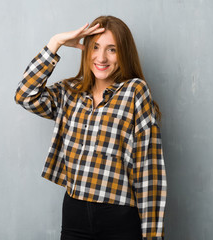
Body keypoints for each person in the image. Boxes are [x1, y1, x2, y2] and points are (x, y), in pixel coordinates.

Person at [15, 15, 167, 240]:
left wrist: (152, 236)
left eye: (112, 49)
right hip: (74, 214)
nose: (101, 57)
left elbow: (149, 169)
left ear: (123, 54)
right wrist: (55, 43)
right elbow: (25, 95)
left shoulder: (135, 92)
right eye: (95, 47)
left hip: (119, 217)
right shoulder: (70, 92)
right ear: (86, 50)